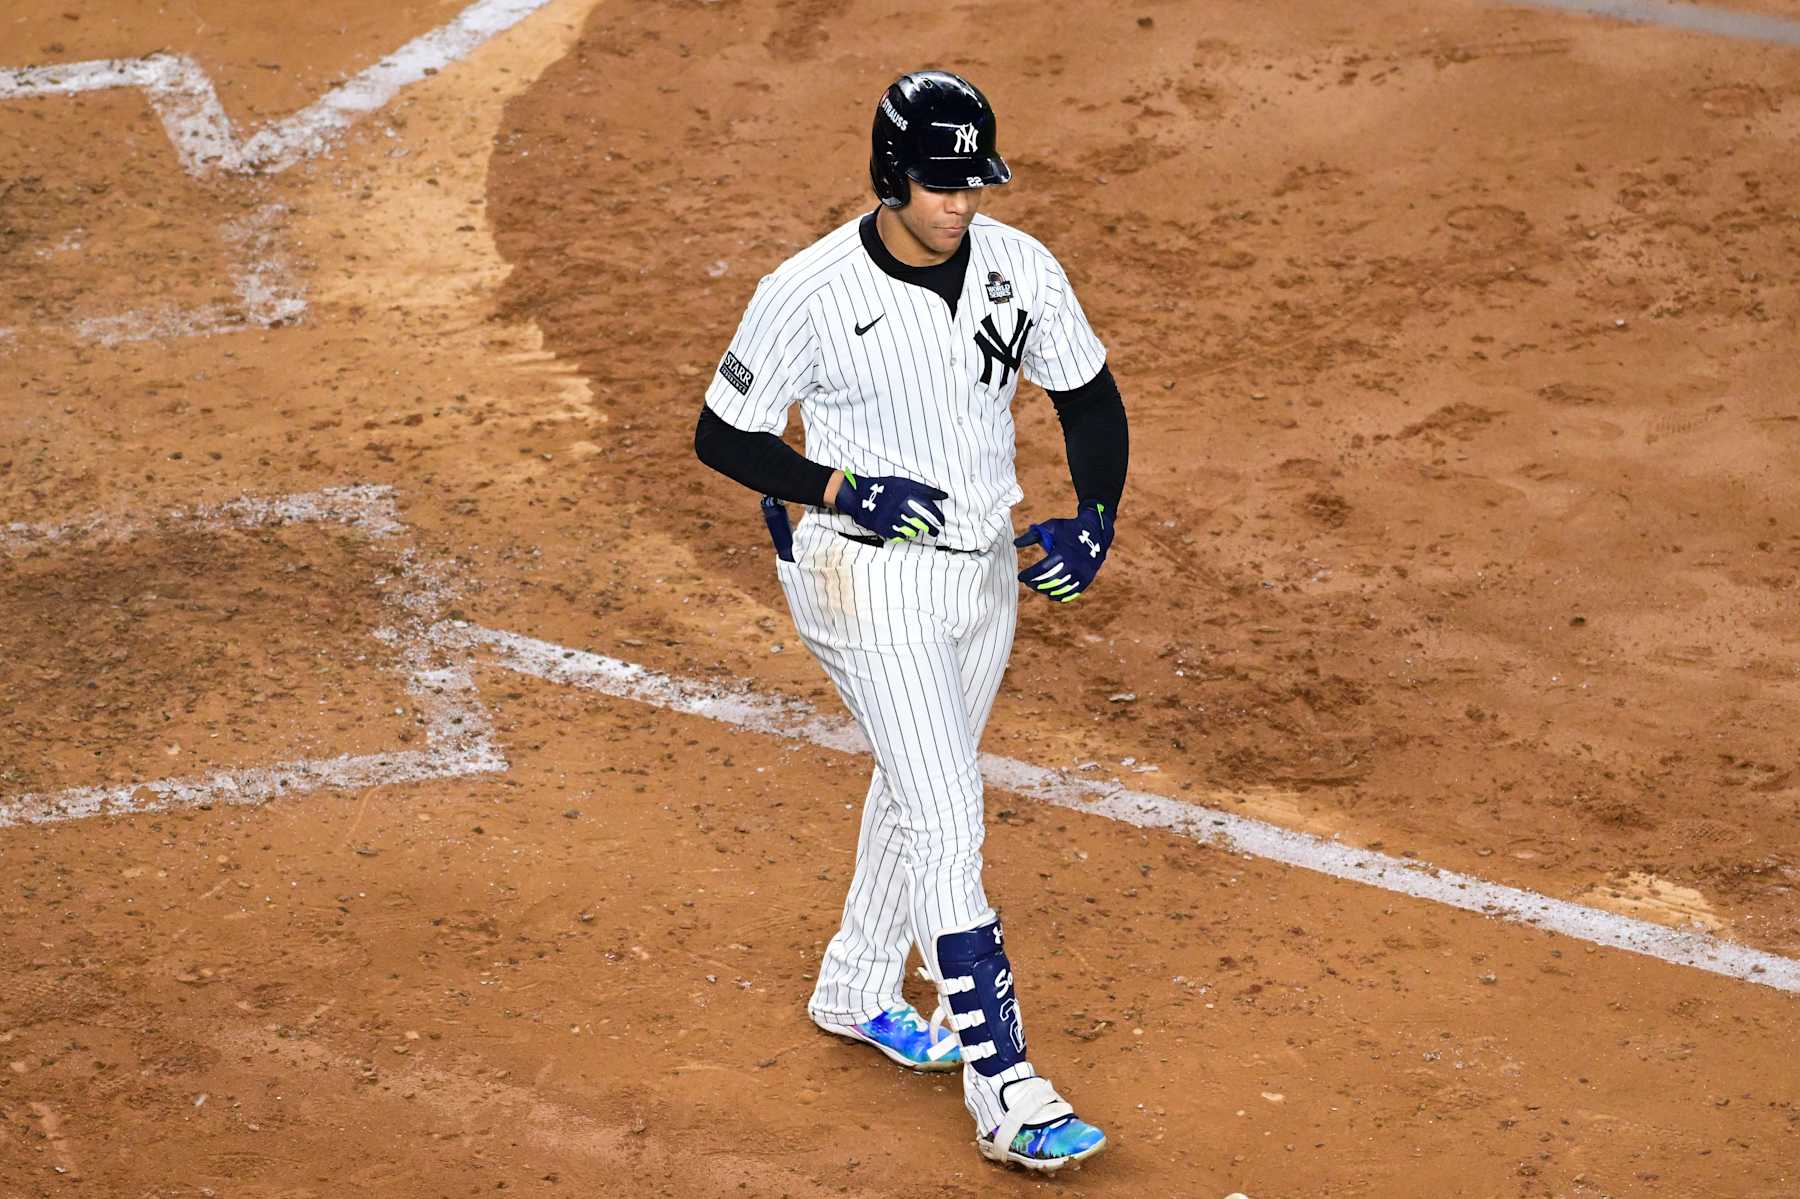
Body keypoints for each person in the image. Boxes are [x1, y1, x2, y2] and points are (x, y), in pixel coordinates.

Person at [693, 69, 1128, 1172]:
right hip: (859, 575)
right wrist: (835, 488)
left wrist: (1096, 518)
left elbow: (1086, 394)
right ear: (893, 176)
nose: (961, 204)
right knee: (947, 812)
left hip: (981, 570)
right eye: (941, 185)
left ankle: (854, 982)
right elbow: (723, 435)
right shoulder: (809, 290)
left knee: (916, 775)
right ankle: (1008, 1088)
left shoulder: (1019, 266)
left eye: (974, 184)